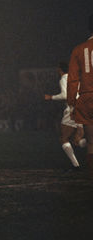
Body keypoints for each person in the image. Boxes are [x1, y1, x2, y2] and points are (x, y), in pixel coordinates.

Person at [45, 62, 86, 171]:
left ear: (60, 69)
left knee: (63, 138)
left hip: (73, 108)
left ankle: (76, 166)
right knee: (76, 140)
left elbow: (65, 95)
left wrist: (51, 97)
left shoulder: (64, 78)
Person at [67, 14, 93, 176]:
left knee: (91, 142)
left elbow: (73, 80)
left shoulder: (78, 49)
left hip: (87, 98)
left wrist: (71, 104)